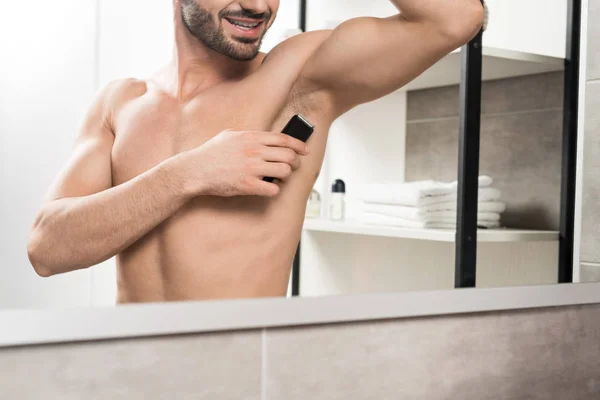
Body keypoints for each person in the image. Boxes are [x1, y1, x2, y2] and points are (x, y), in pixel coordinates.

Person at [27, 0, 484, 303]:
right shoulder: (121, 102)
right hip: (130, 378)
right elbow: (47, 249)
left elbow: (455, 20)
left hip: (242, 377)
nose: (259, 4)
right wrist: (188, 174)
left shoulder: (297, 77)